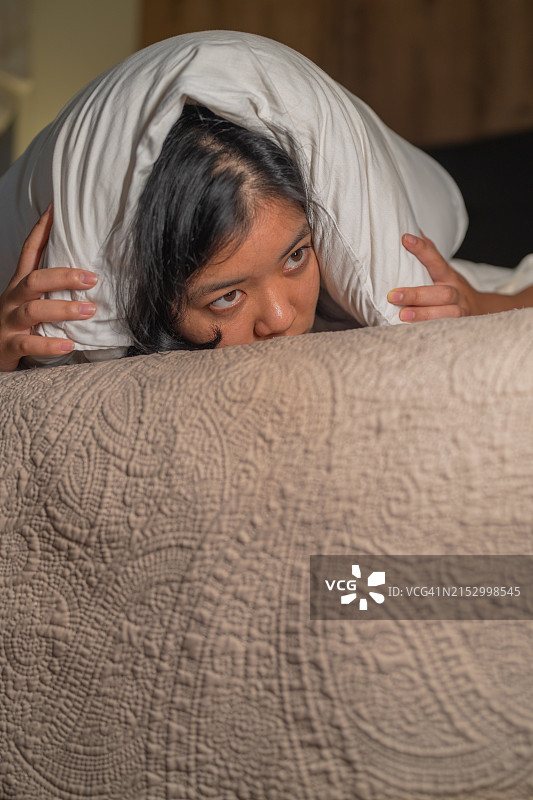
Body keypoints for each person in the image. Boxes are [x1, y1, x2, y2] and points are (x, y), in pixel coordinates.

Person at [1, 32, 533, 372]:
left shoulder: (354, 276)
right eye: (226, 297)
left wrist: (477, 305)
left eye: (294, 257)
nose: (280, 317)